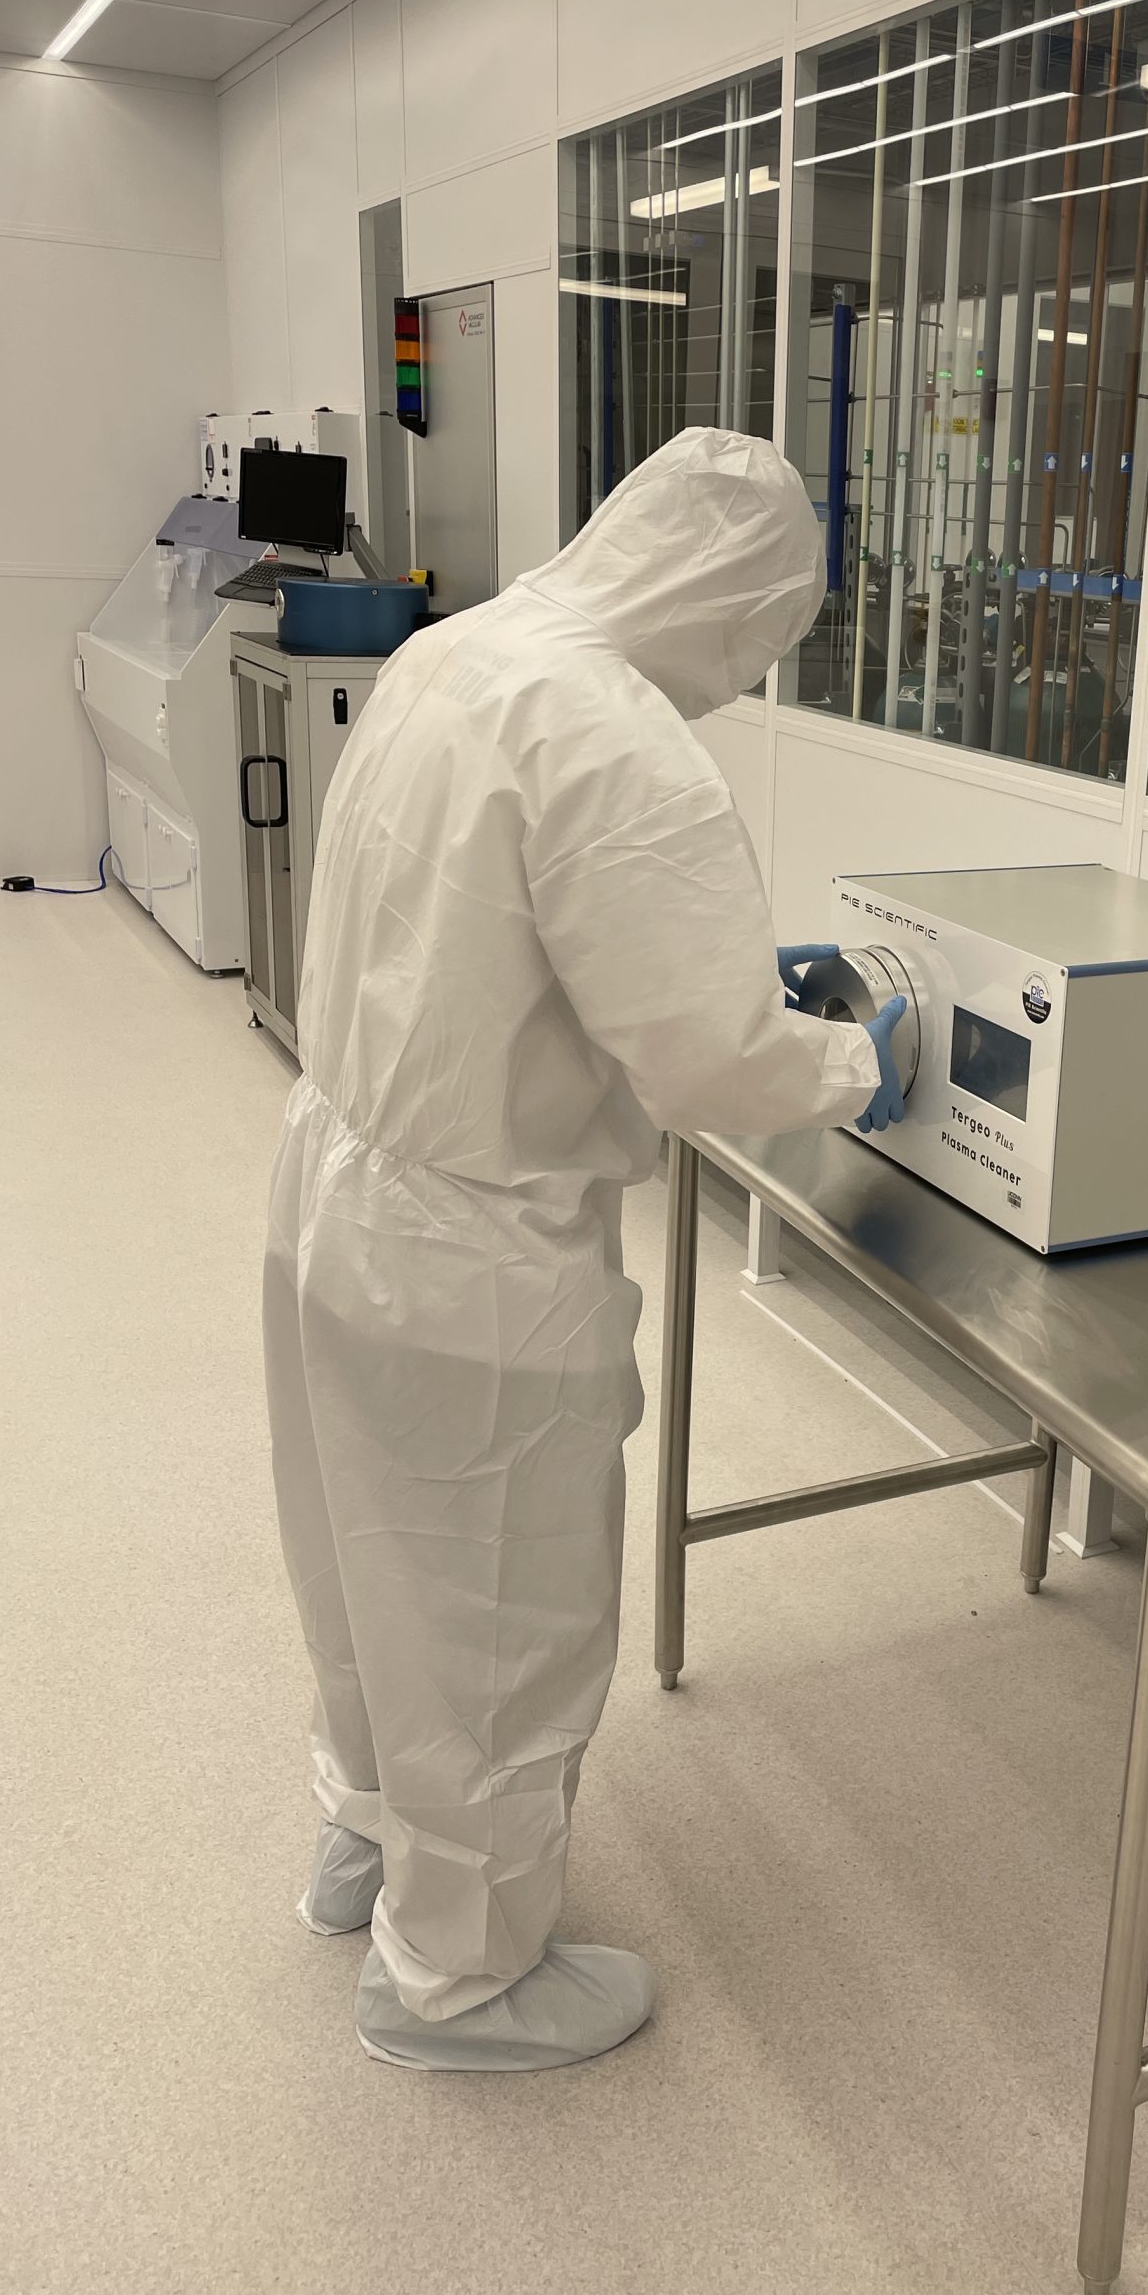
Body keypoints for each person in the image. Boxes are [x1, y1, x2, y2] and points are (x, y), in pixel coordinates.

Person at [263, 429, 906, 2072]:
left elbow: (500, 927)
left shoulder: (455, 652)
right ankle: (458, 1979)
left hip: (334, 1178)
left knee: (361, 1560)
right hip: (471, 1254)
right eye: (755, 648)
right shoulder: (618, 736)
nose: (738, 687)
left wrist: (728, 969)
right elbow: (708, 1061)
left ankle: (367, 1837)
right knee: (493, 1607)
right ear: (725, 599)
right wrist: (848, 1060)